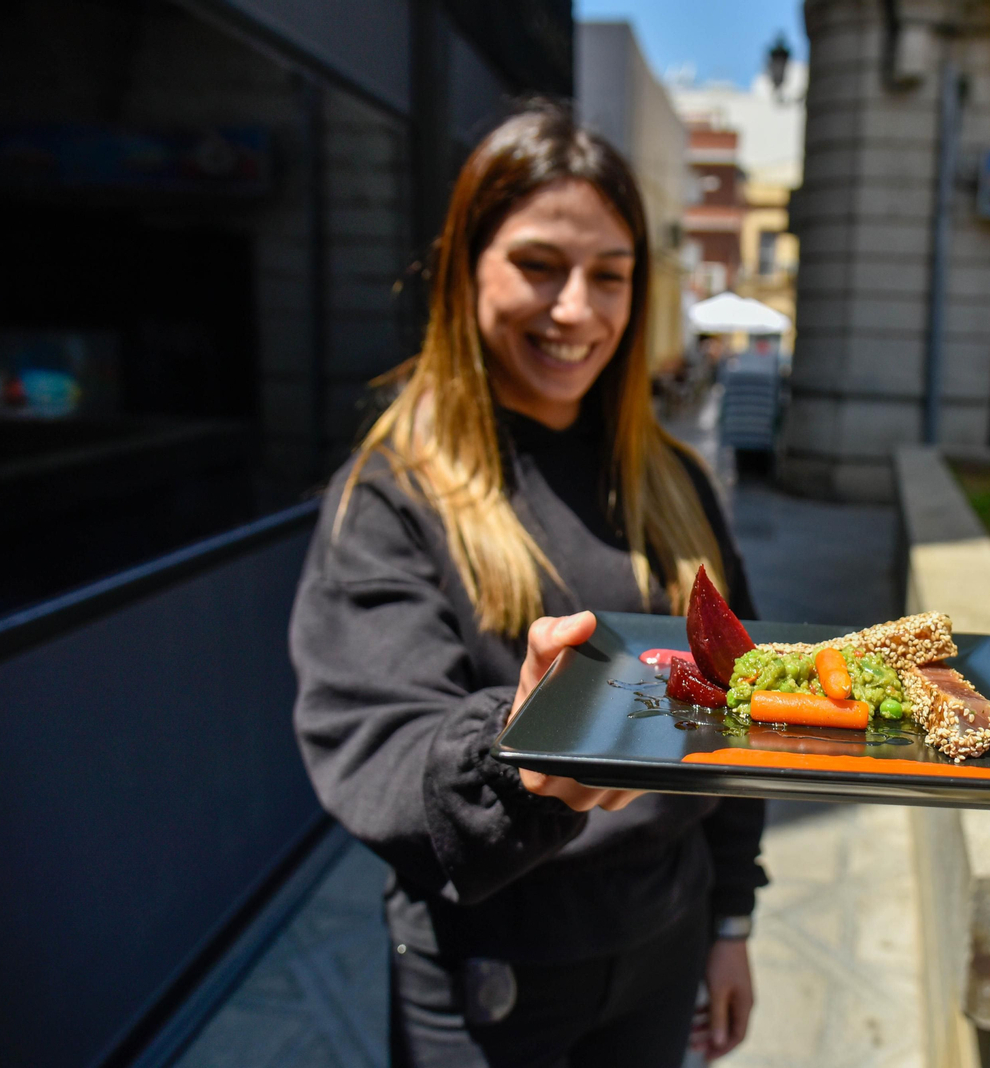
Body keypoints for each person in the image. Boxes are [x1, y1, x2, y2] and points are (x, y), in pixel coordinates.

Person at [289, 103, 767, 1068]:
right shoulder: (390, 498)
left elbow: (740, 710)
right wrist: (521, 756)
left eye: (611, 277)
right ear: (466, 269)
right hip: (489, 973)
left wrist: (730, 918)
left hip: (663, 935)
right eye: (539, 265)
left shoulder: (672, 481)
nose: (577, 311)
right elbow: (383, 749)